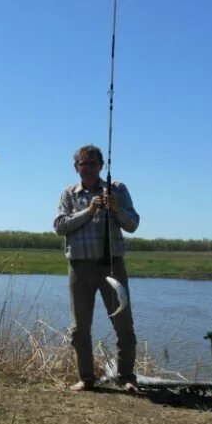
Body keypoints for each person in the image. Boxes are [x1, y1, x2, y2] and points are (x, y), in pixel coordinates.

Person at [53, 144, 139, 391]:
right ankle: (86, 379)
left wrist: (116, 208)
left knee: (123, 324)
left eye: (92, 163)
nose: (88, 168)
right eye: (83, 164)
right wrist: (89, 211)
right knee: (80, 327)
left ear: (101, 166)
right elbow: (60, 226)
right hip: (79, 268)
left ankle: (127, 378)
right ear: (76, 167)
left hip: (112, 267)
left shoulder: (117, 189)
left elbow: (132, 225)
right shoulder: (69, 193)